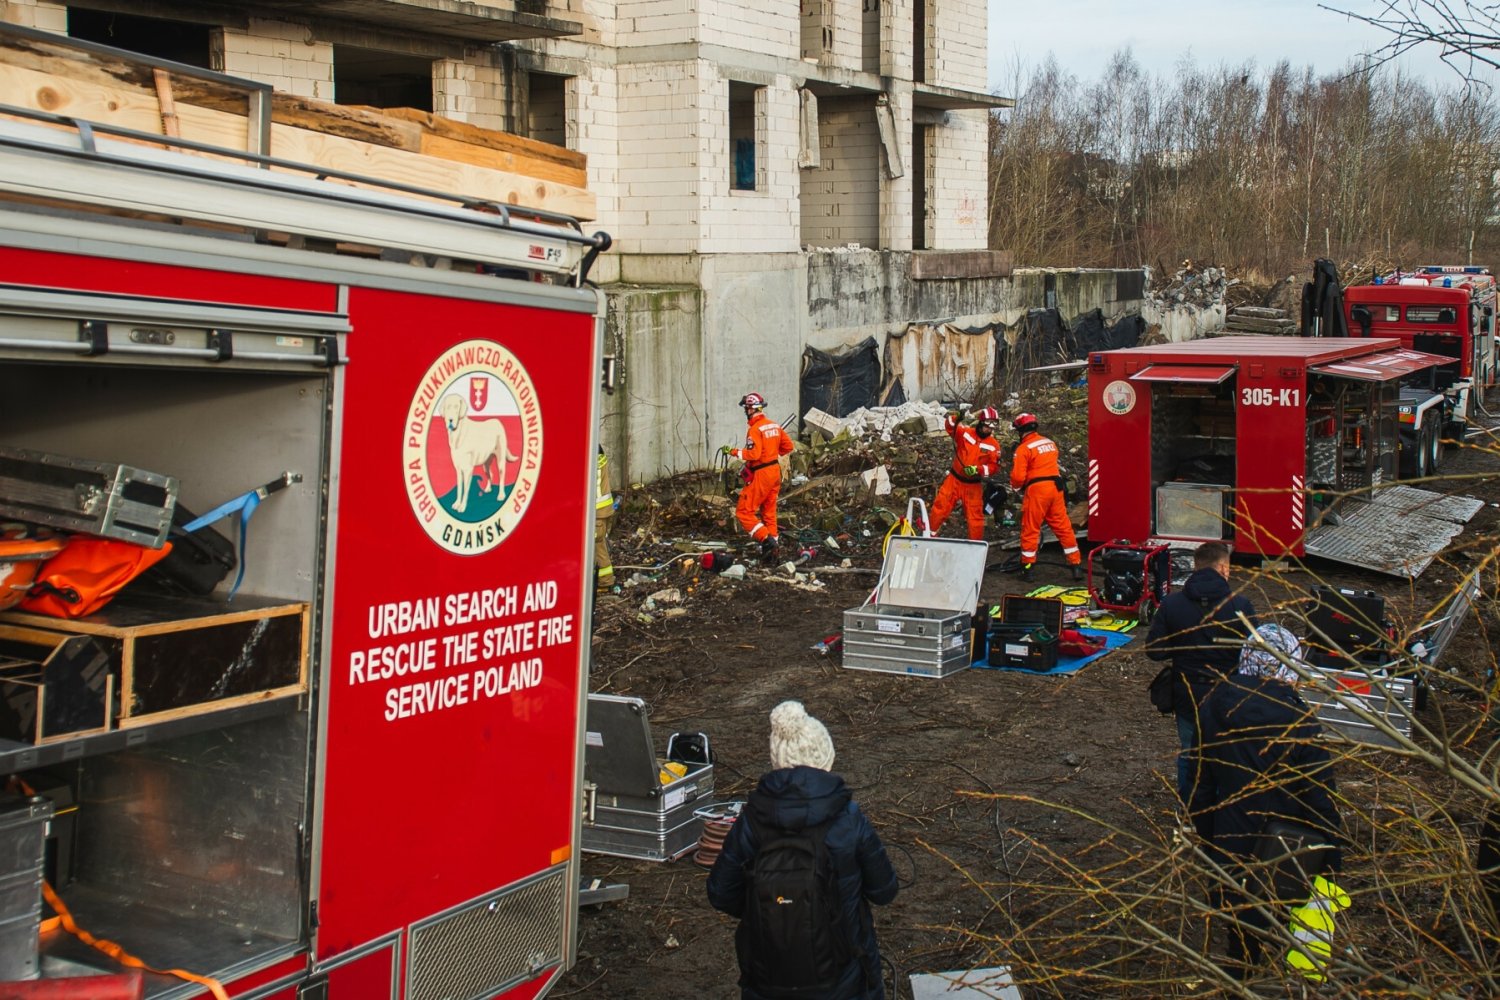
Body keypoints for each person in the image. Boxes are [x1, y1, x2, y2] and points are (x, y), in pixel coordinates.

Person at [707, 701, 899, 1000]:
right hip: (844, 977)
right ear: (826, 759)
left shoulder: (751, 819)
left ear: (776, 761)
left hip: (768, 978)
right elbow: (884, 891)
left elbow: (720, 893)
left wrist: (772, 907)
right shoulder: (848, 817)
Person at [1200, 623, 1344, 977]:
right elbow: (1318, 794)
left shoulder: (1216, 706)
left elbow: (1200, 782)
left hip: (1231, 836)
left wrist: (1206, 837)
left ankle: (1241, 971)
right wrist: (1333, 855)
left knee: (1240, 922)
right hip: (1285, 844)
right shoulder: (1300, 721)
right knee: (1281, 913)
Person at [1145, 540, 1257, 837]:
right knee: (1226, 753)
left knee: (1190, 754)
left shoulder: (1172, 603)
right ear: (1223, 567)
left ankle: (1190, 814)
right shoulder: (1240, 606)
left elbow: (1154, 650)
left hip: (1187, 693)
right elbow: (1256, 654)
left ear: (1196, 566)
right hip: (1228, 695)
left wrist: (1183, 648)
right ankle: (1224, 812)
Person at [1007, 413, 1082, 580]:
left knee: (1030, 528)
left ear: (1021, 430)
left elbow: (1018, 477)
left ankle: (1028, 568)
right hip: (1056, 489)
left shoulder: (1023, 449)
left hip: (1038, 490)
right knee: (1063, 527)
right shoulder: (1049, 443)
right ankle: (1076, 565)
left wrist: (1016, 488)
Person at [722, 392, 794, 561]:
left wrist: (733, 452)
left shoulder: (754, 430)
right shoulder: (774, 426)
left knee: (744, 512)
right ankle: (772, 552)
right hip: (774, 472)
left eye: (746, 408)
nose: (745, 411)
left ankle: (767, 541)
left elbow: (753, 454)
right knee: (769, 511)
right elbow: (788, 446)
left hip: (761, 473)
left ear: (750, 408)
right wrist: (771, 453)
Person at [930, 406, 1002, 541]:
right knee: (940, 507)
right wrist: (956, 417)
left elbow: (993, 467)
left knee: (975, 518)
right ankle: (930, 535)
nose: (989, 429)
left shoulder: (994, 446)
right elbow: (950, 427)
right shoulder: (966, 433)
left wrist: (978, 470)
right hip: (954, 479)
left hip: (973, 485)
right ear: (981, 423)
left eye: (993, 427)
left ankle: (975, 546)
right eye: (988, 425)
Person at [594, 446, 615, 593]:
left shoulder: (591, 466)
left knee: (598, 548)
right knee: (600, 545)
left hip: (597, 514)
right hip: (604, 511)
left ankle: (605, 582)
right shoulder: (600, 460)